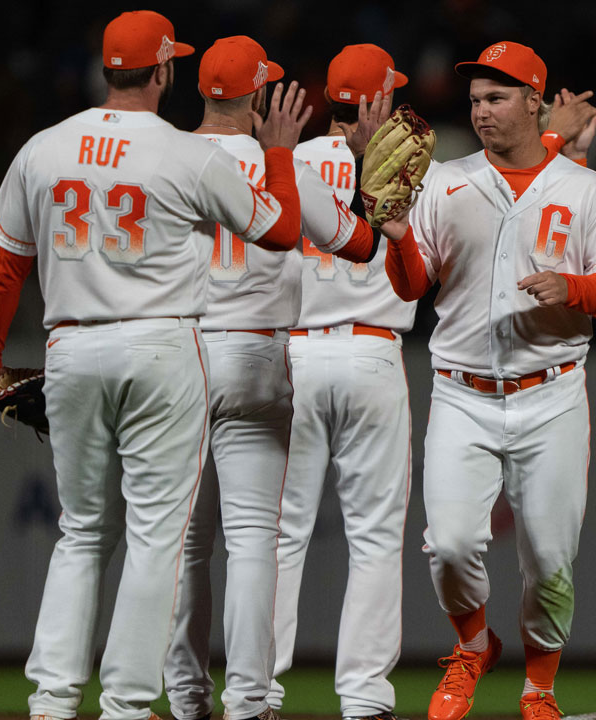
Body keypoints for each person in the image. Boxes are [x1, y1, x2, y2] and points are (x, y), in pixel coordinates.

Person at [0, 11, 306, 720]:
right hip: (160, 346)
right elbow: (279, 231)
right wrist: (278, 152)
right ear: (163, 71)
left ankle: (53, 701)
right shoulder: (186, 154)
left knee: (81, 531)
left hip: (70, 346)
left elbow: (5, 272)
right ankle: (126, 704)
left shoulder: (45, 147)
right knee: (157, 535)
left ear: (107, 69)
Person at [380, 41, 596, 720]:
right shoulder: (445, 179)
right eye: (474, 102)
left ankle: (540, 689)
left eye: (495, 99)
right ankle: (472, 647)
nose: (481, 112)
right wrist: (399, 235)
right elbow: (409, 288)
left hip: (550, 391)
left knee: (550, 559)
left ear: (533, 101)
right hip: (462, 391)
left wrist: (572, 286)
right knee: (451, 544)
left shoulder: (584, 188)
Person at [163, 36, 381, 720]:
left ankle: (185, 695)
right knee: (254, 541)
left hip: (179, 356)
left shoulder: (164, 158)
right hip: (257, 355)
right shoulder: (274, 162)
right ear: (259, 96)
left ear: (200, 89)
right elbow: (359, 243)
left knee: (181, 544)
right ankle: (250, 700)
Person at [264, 43, 416, 720]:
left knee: (279, 534)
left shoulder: (286, 161)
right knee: (376, 536)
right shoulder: (413, 171)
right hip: (374, 355)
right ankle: (364, 699)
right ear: (376, 100)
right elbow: (426, 267)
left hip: (293, 354)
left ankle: (257, 689)